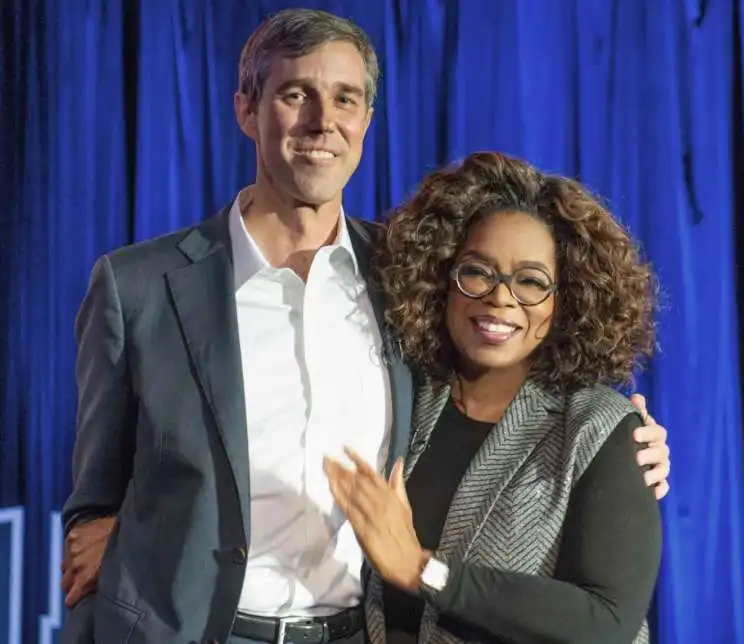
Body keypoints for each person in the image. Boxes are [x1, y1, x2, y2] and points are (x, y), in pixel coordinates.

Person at [59, 9, 670, 644]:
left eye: (344, 99)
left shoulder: (406, 281)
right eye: (296, 94)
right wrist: (114, 535)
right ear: (246, 109)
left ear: (365, 122)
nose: (322, 122)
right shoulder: (138, 287)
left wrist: (629, 444)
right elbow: (92, 502)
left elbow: (507, 372)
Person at [323, 152, 662, 643]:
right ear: (442, 278)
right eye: (478, 272)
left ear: (566, 299)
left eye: (530, 281)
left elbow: (607, 621)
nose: (501, 299)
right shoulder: (405, 400)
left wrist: (424, 570)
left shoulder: (598, 428)